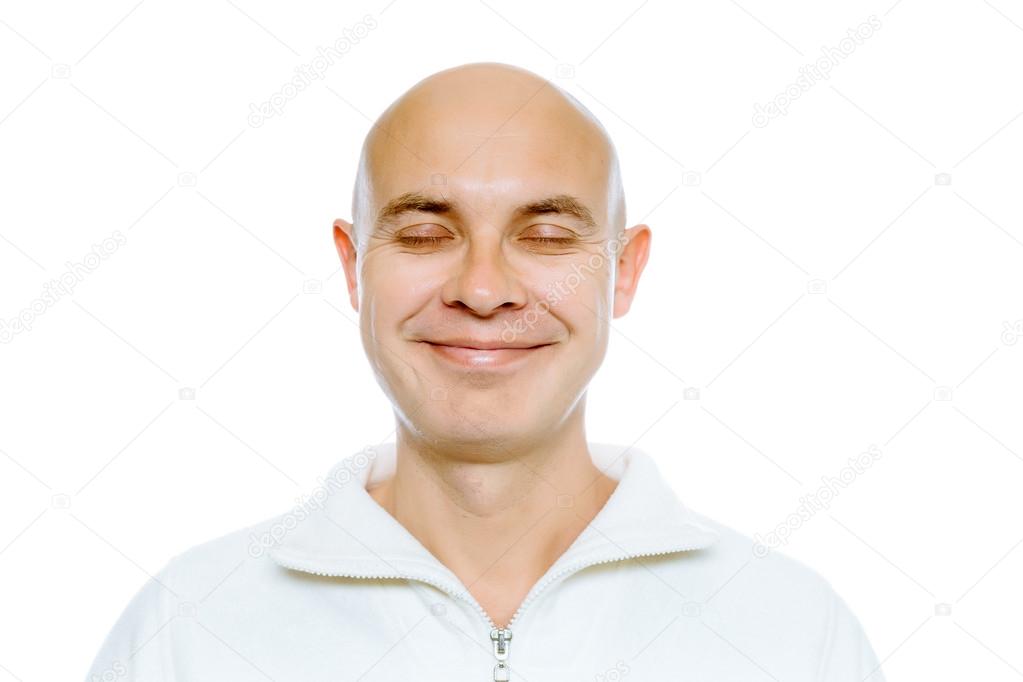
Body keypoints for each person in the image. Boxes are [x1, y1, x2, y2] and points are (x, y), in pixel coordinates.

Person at [84, 62, 886, 681]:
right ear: (353, 266)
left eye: (545, 235)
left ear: (624, 272)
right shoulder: (188, 630)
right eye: (428, 233)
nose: (482, 289)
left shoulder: (790, 633)